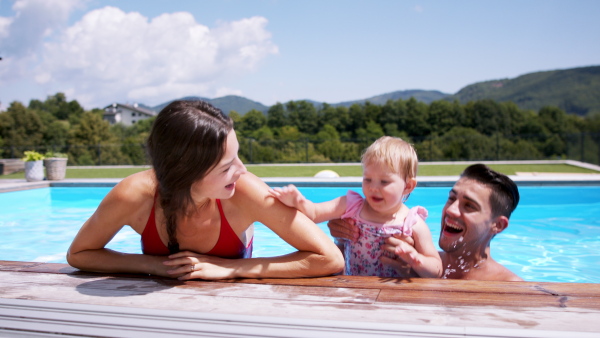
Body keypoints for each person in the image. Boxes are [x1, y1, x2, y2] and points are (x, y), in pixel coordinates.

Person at [67, 100, 344, 280]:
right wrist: (152, 265)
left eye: (237, 155)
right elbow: (79, 254)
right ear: (186, 175)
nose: (242, 170)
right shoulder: (134, 195)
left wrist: (229, 268)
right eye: (226, 167)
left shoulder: (245, 192)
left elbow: (329, 258)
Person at [270, 136, 442, 278]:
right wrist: (298, 201)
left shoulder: (412, 223)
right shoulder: (352, 205)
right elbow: (314, 213)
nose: (373, 187)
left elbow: (436, 269)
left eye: (384, 181)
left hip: (393, 295)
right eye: (367, 179)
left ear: (408, 186)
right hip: (352, 287)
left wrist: (417, 259)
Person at [328, 163, 523, 281]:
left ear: (497, 225)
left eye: (469, 206)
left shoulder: (512, 288)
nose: (451, 210)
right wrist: (346, 237)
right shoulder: (411, 258)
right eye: (451, 198)